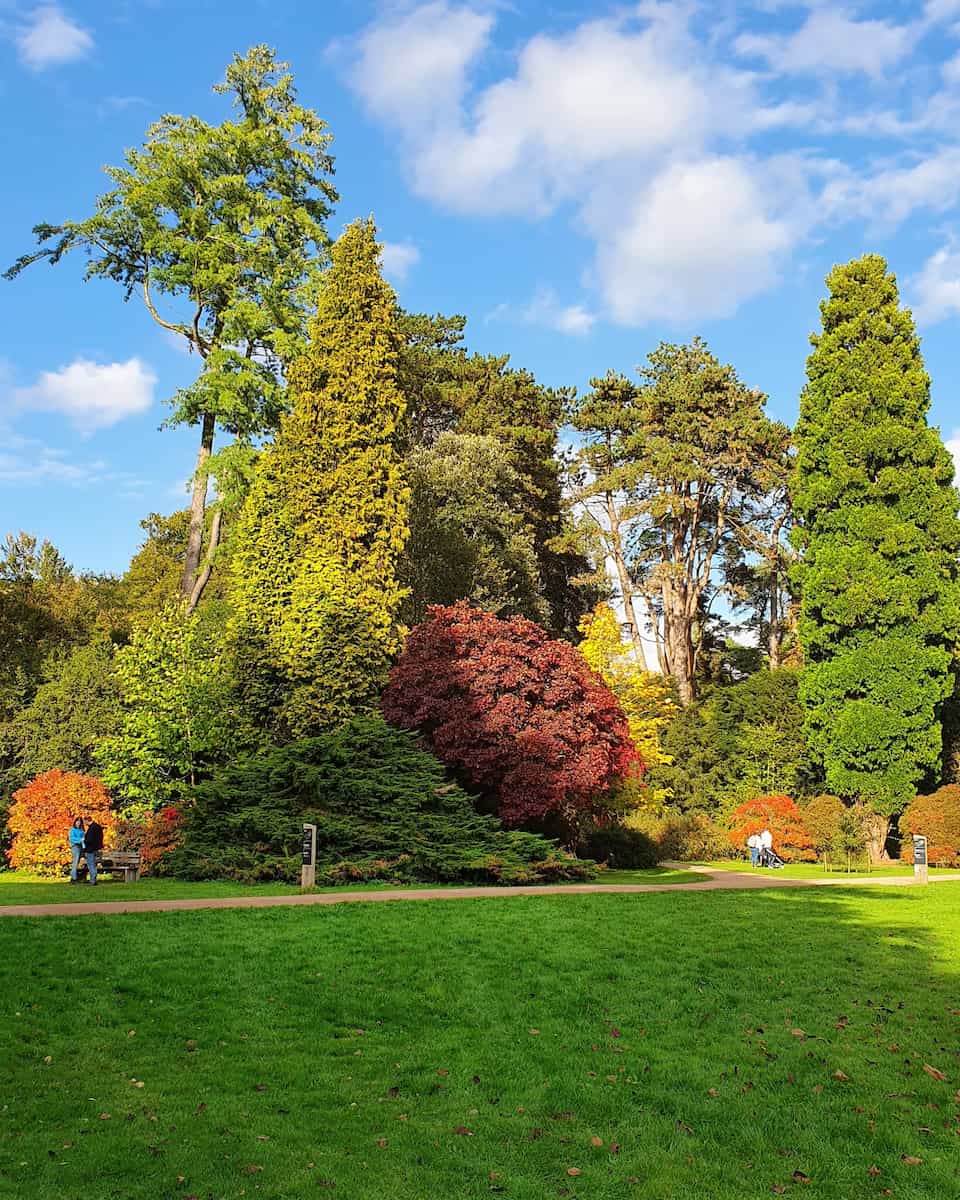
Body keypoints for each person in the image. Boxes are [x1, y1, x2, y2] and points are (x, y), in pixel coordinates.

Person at [83, 818, 104, 886]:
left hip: (90, 849)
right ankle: (94, 879)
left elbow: (89, 840)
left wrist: (84, 840)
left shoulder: (92, 828)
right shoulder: (98, 827)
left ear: (87, 821)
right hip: (96, 848)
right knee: (93, 864)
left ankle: (93, 880)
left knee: (91, 864)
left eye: (85, 822)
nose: (84, 823)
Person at [69, 817, 85, 883]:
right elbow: (71, 838)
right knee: (75, 862)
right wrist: (80, 840)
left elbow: (84, 838)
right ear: (75, 822)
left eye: (80, 822)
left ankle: (78, 877)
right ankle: (73, 878)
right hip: (75, 847)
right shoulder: (72, 830)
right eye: (77, 822)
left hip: (82, 847)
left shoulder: (82, 830)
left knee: (78, 862)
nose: (78, 823)